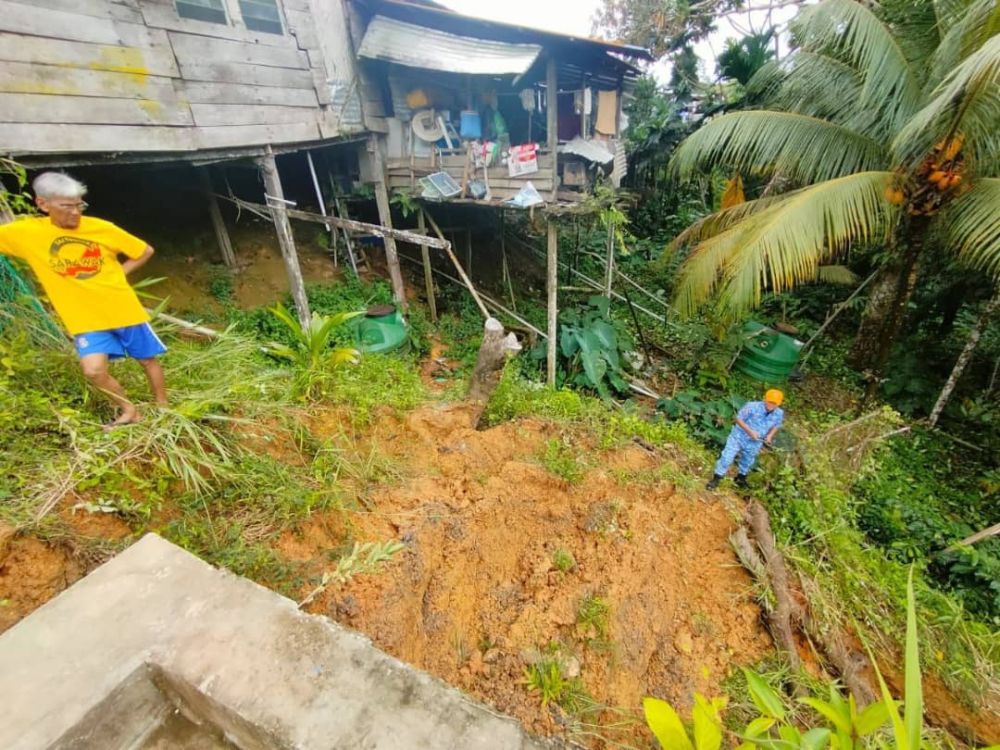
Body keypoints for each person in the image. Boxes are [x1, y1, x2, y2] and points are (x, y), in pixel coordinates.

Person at [0, 172, 166, 427]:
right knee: (94, 371)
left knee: (146, 358)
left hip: (121, 308)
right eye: (67, 206)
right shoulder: (25, 234)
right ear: (43, 204)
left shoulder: (101, 228)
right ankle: (130, 410)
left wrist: (121, 274)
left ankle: (163, 406)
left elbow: (144, 250)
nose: (75, 212)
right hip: (84, 317)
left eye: (79, 205)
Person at [706, 389, 785, 490]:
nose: (771, 405)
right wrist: (750, 432)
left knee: (747, 461)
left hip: (755, 442)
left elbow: (776, 425)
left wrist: (769, 436)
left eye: (775, 403)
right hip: (738, 437)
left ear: (779, 403)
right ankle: (716, 478)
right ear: (765, 399)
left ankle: (740, 479)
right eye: (770, 402)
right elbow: (737, 419)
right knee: (727, 458)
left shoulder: (779, 413)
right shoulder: (752, 406)